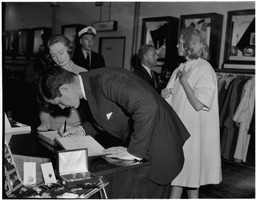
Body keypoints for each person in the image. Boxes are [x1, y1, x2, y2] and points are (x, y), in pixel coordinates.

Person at [37, 65, 190, 198]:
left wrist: (134, 151)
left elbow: (148, 107)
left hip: (159, 151)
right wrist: (82, 129)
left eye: (59, 102)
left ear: (64, 89)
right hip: (146, 150)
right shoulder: (90, 84)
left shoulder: (106, 80)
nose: (61, 107)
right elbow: (110, 114)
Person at [161, 26, 222, 198]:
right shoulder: (180, 67)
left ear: (190, 44)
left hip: (192, 134)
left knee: (186, 176)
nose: (176, 46)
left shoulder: (205, 68)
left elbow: (197, 104)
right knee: (185, 177)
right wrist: (164, 95)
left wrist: (185, 82)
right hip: (178, 132)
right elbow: (172, 102)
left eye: (181, 42)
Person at [37, 35, 87, 131]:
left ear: (69, 50)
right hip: (54, 126)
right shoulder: (48, 76)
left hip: (78, 126)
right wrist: (45, 122)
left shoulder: (83, 73)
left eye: (61, 53)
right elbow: (43, 104)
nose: (59, 59)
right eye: (53, 55)